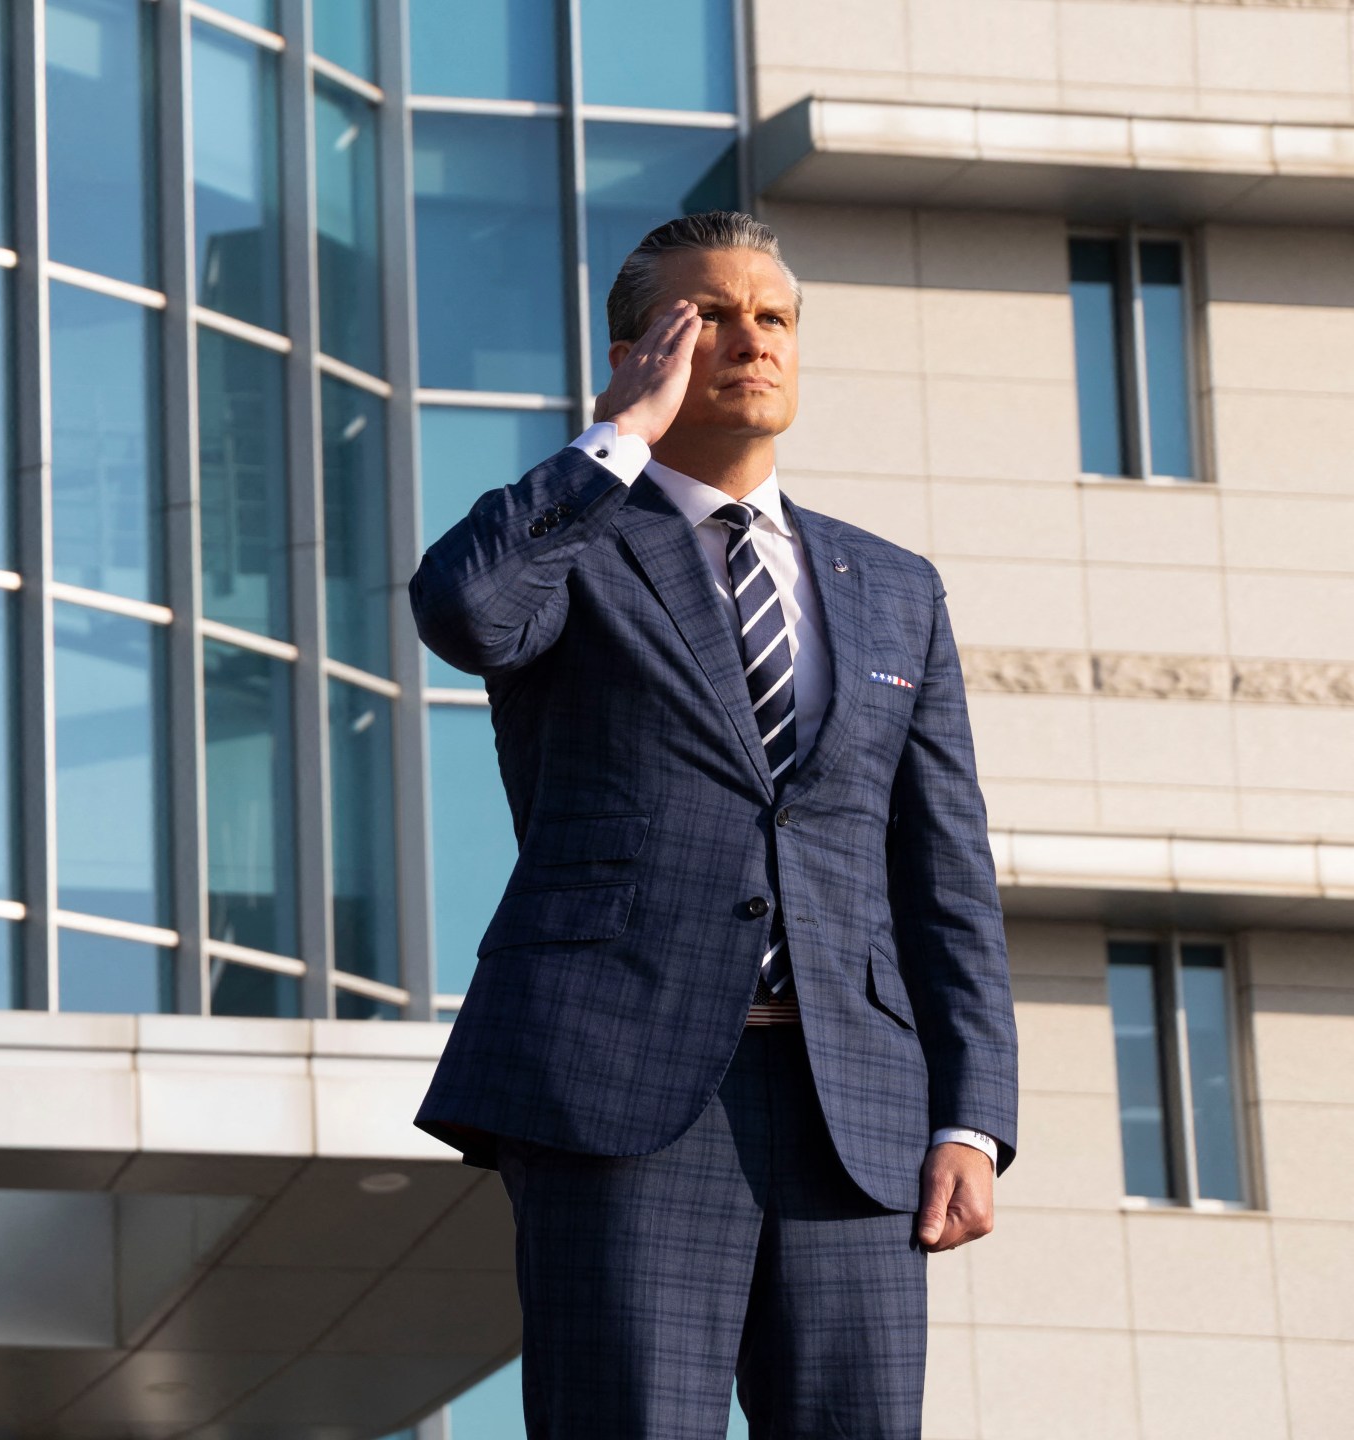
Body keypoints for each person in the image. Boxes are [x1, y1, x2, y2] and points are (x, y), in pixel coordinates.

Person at [410, 211, 1018, 1439]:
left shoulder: (894, 586)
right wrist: (613, 441)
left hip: (855, 1111)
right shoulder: (575, 547)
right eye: (711, 317)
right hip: (618, 1093)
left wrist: (972, 1116)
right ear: (641, 352)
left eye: (774, 316)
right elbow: (464, 613)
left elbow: (943, 868)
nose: (752, 339)